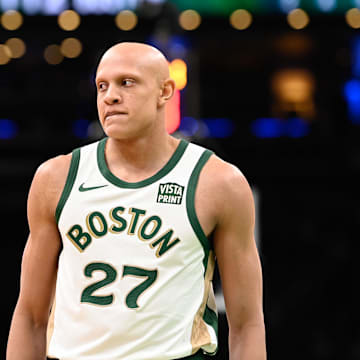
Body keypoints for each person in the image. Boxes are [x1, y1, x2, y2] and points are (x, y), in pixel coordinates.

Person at [6, 42, 266, 360]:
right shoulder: (56, 178)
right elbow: (29, 317)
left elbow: (247, 323)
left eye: (126, 82)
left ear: (165, 91)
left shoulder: (218, 183)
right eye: (102, 85)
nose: (110, 96)